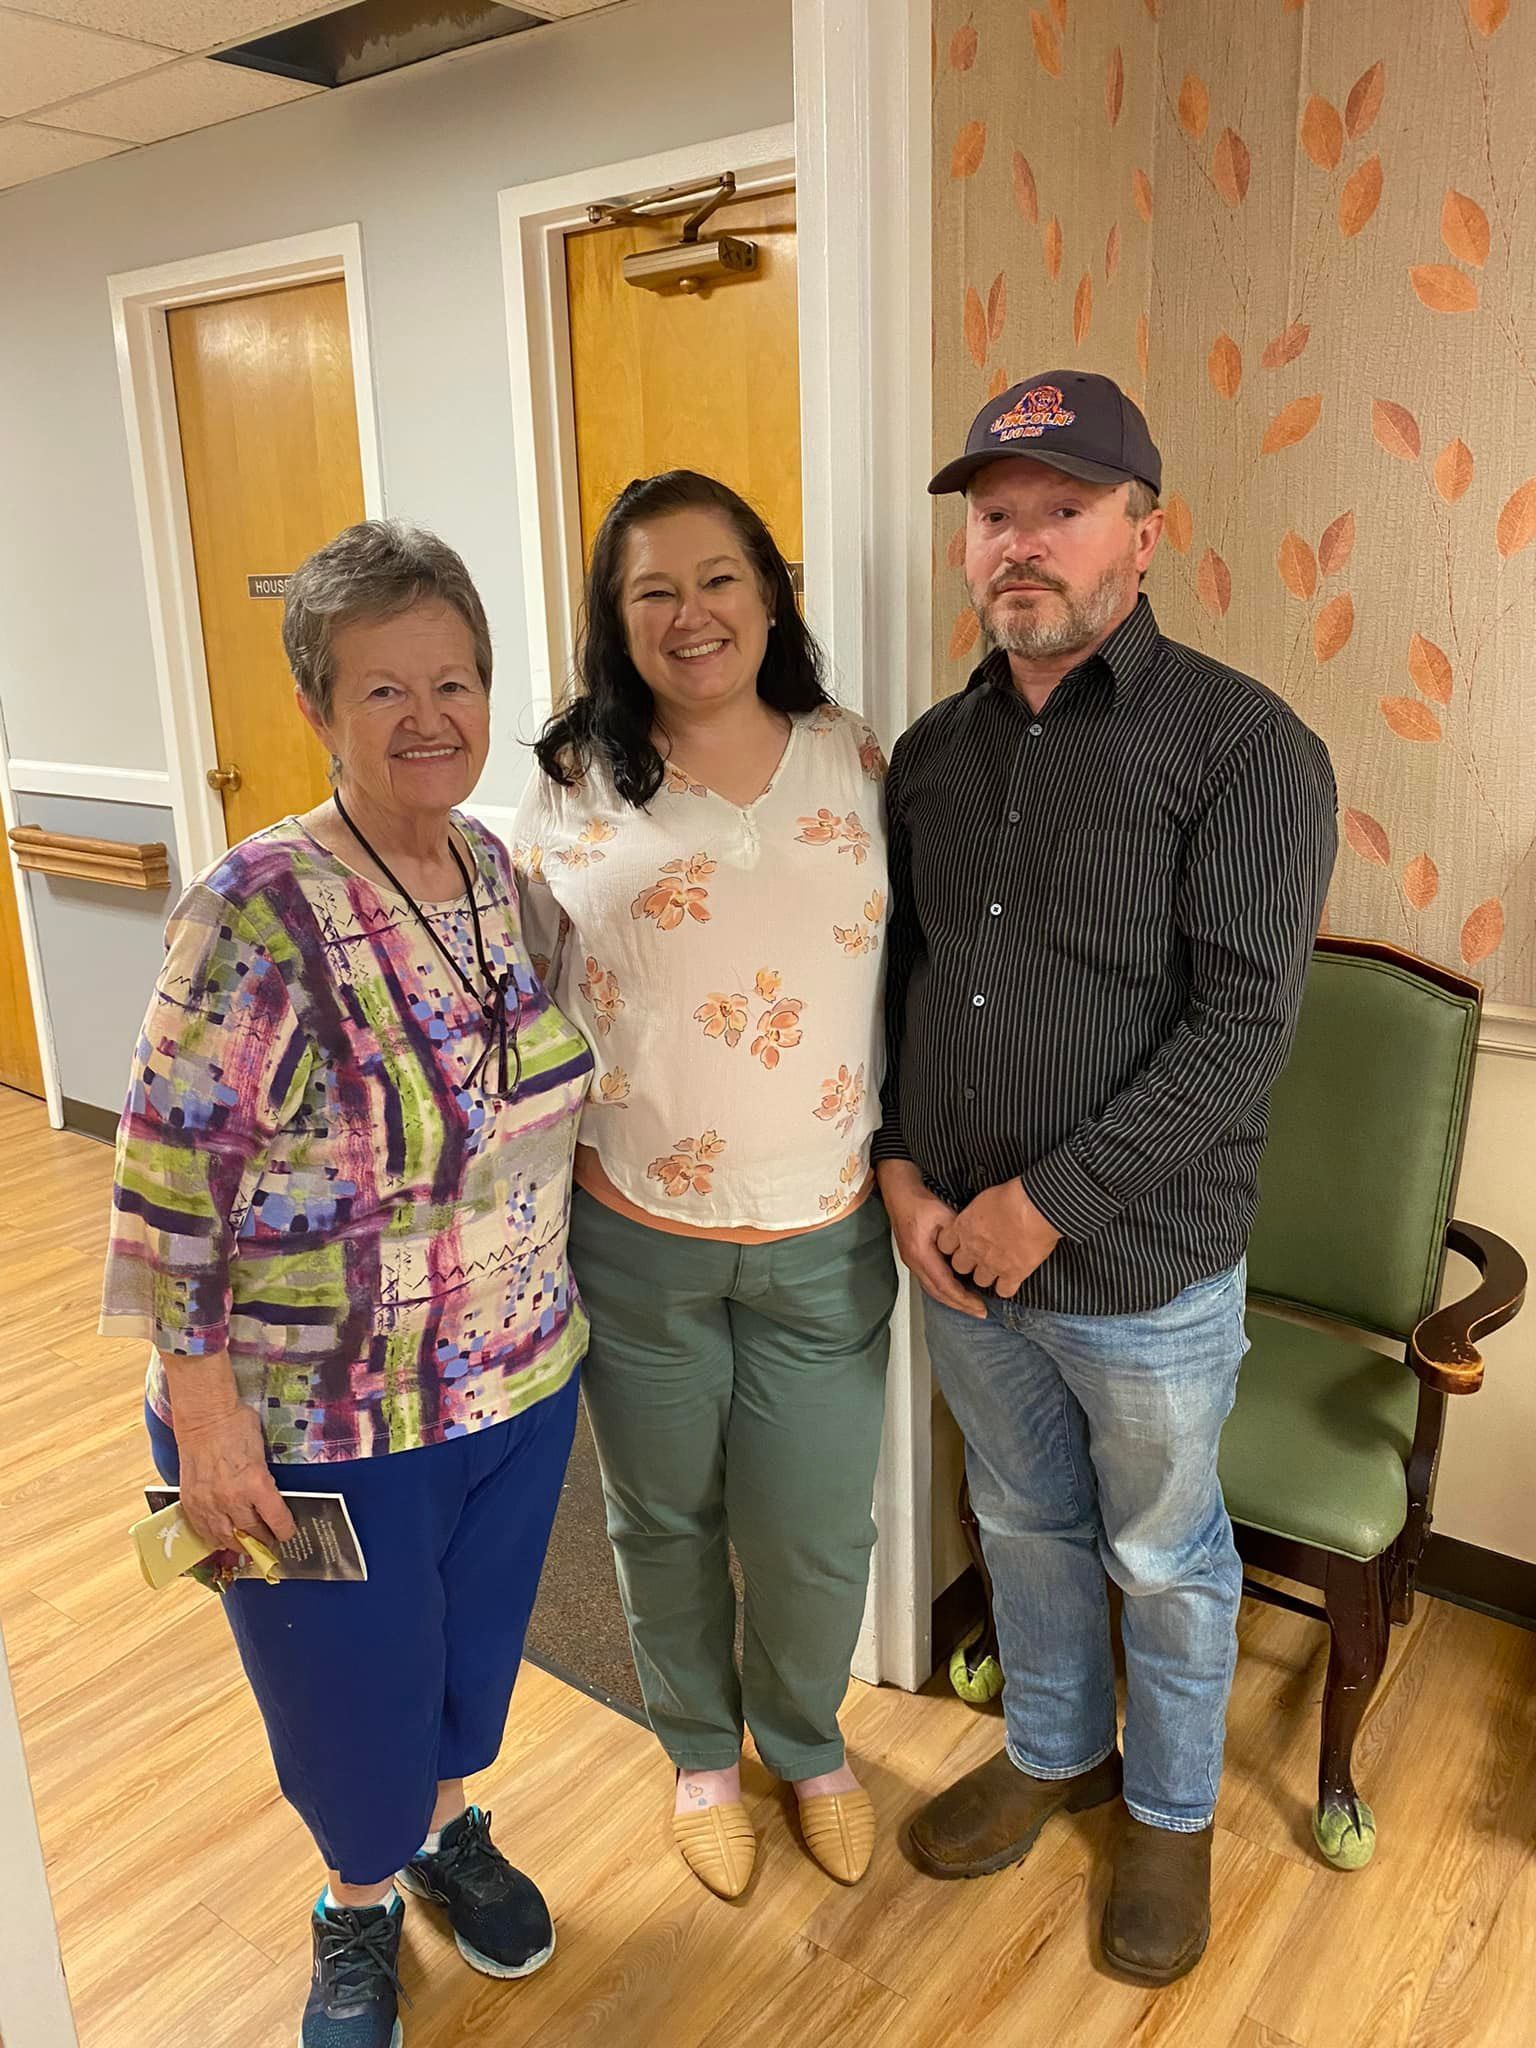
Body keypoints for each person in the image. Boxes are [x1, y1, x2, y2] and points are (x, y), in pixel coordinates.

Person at [101, 521, 594, 2048]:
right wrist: (209, 1424)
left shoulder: (497, 874)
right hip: (317, 1422)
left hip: (514, 1386)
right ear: (317, 706)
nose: (427, 714)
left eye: (454, 679)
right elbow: (170, 1182)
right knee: (340, 1695)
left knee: (464, 1660)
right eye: (384, 688)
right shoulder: (253, 908)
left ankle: (445, 1837)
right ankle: (357, 1905)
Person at [878, 373, 1336, 1984]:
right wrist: (902, 1172)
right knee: (1021, 1523)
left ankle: (1170, 1810)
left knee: (1162, 1551)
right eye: (993, 515)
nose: (1020, 543)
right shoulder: (931, 755)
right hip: (957, 1258)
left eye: (1060, 508)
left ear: (1145, 534)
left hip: (1143, 1274)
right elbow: (911, 982)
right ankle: (1053, 1752)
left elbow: (1239, 1037)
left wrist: (1046, 1202)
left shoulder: (1246, 749)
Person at [512, 470, 897, 1900]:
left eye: (720, 577)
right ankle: (698, 1752)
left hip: (824, 1235)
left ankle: (807, 1744)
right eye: (652, 589)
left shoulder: (856, 761)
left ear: (770, 590)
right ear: (615, 621)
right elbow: (519, 1007)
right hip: (637, 1242)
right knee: (660, 1517)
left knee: (811, 1524)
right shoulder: (567, 788)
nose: (692, 614)